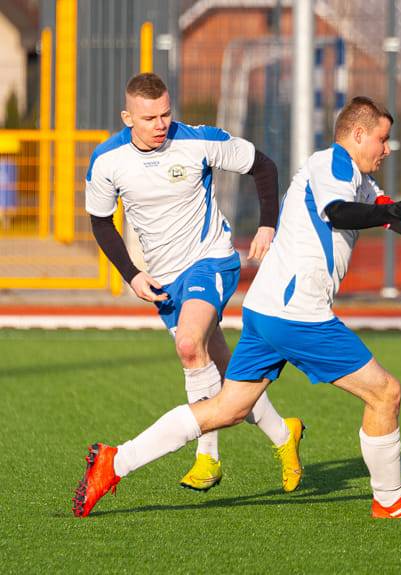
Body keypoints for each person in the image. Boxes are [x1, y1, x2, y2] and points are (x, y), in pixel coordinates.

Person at [72, 95, 401, 519]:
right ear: (358, 135)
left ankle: (116, 461)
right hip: (298, 313)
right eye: (382, 139)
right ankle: (390, 499)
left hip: (267, 310)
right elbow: (337, 213)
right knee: (385, 393)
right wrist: (398, 211)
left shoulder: (359, 181)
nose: (387, 149)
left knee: (227, 409)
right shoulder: (330, 164)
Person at [83, 72, 303, 494]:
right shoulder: (107, 160)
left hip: (210, 261)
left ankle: (208, 458)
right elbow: (101, 222)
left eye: (166, 114)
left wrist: (267, 225)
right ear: (127, 118)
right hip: (164, 280)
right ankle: (283, 433)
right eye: (149, 118)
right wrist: (131, 273)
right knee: (224, 373)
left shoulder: (198, 140)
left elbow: (263, 166)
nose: (161, 124)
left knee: (188, 345)